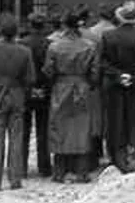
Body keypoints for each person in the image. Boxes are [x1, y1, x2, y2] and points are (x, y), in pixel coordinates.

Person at [0, 13, 35, 191]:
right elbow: (30, 78)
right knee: (16, 138)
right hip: (17, 95)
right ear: (16, 31)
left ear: (0, 31)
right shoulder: (24, 51)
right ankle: (15, 179)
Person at [44, 10, 98, 183]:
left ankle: (59, 171)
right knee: (82, 127)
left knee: (59, 126)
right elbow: (95, 72)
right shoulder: (89, 46)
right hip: (82, 86)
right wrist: (89, 83)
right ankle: (82, 171)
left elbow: (48, 70)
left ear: (64, 25)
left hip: (61, 87)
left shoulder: (54, 46)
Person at [100, 3, 135, 172]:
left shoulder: (108, 36)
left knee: (116, 123)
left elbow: (102, 61)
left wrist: (118, 76)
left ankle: (119, 161)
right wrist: (134, 77)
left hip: (114, 87)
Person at [19, 12, 53, 178]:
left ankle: (21, 166)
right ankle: (44, 166)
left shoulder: (22, 44)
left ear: (29, 25)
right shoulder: (50, 44)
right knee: (43, 129)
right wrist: (43, 87)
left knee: (23, 130)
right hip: (45, 90)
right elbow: (51, 69)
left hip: (25, 89)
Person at [83, 4, 116, 169]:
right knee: (110, 117)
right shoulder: (114, 32)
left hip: (92, 80)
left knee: (94, 117)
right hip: (111, 79)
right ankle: (112, 152)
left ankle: (95, 152)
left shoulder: (92, 33)